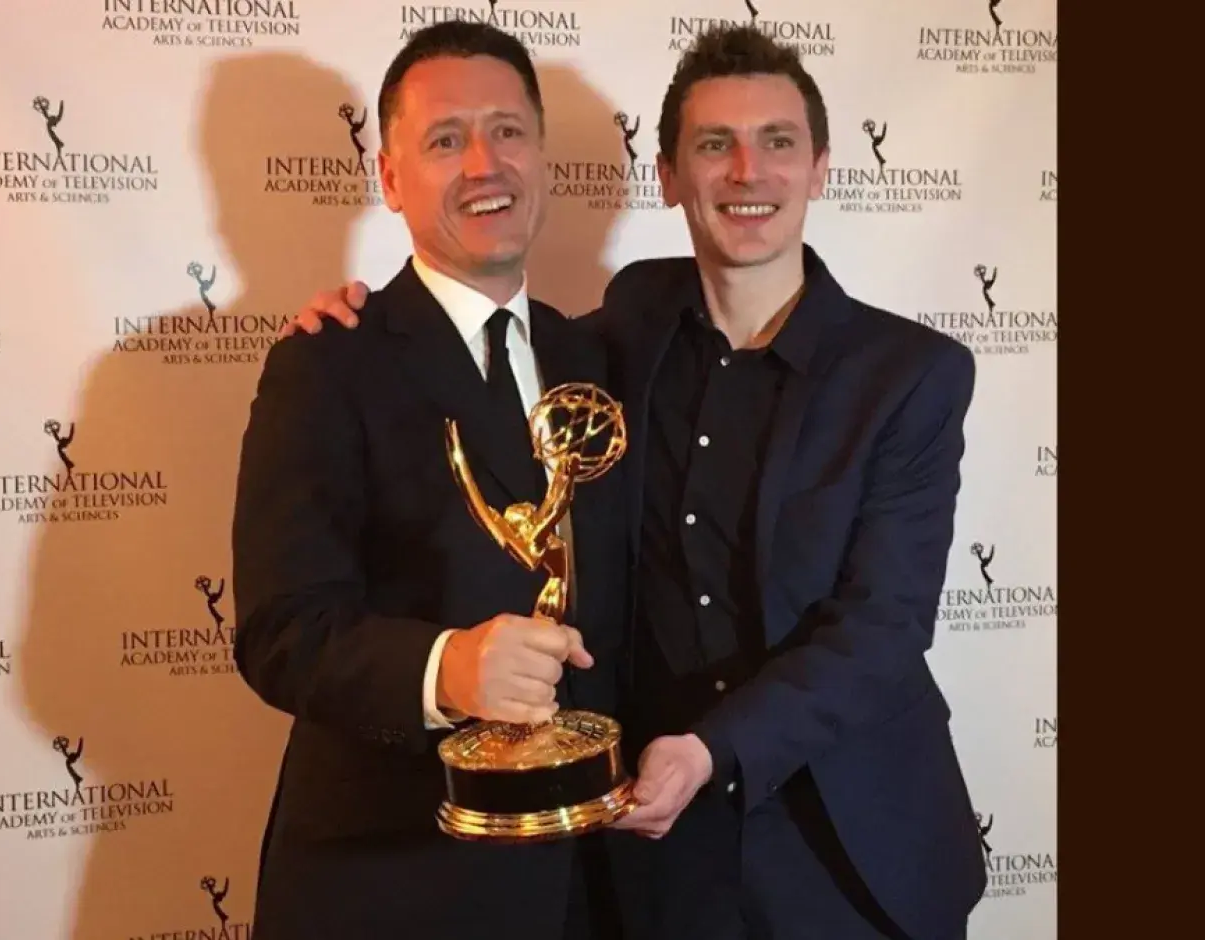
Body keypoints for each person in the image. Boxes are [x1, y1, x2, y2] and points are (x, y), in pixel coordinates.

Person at [279, 23, 989, 940]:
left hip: (844, 843)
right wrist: (351, 320)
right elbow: (471, 357)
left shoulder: (912, 374)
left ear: (819, 168)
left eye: (778, 142)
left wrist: (713, 751)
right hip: (653, 850)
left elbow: (883, 626)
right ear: (665, 175)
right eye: (713, 145)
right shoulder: (618, 334)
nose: (748, 172)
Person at [230, 20, 632, 940]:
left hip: (583, 878)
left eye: (510, 131)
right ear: (391, 178)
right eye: (446, 140)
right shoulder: (328, 363)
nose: (485, 163)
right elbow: (280, 631)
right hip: (392, 884)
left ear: (545, 158)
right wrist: (447, 667)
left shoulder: (600, 355)